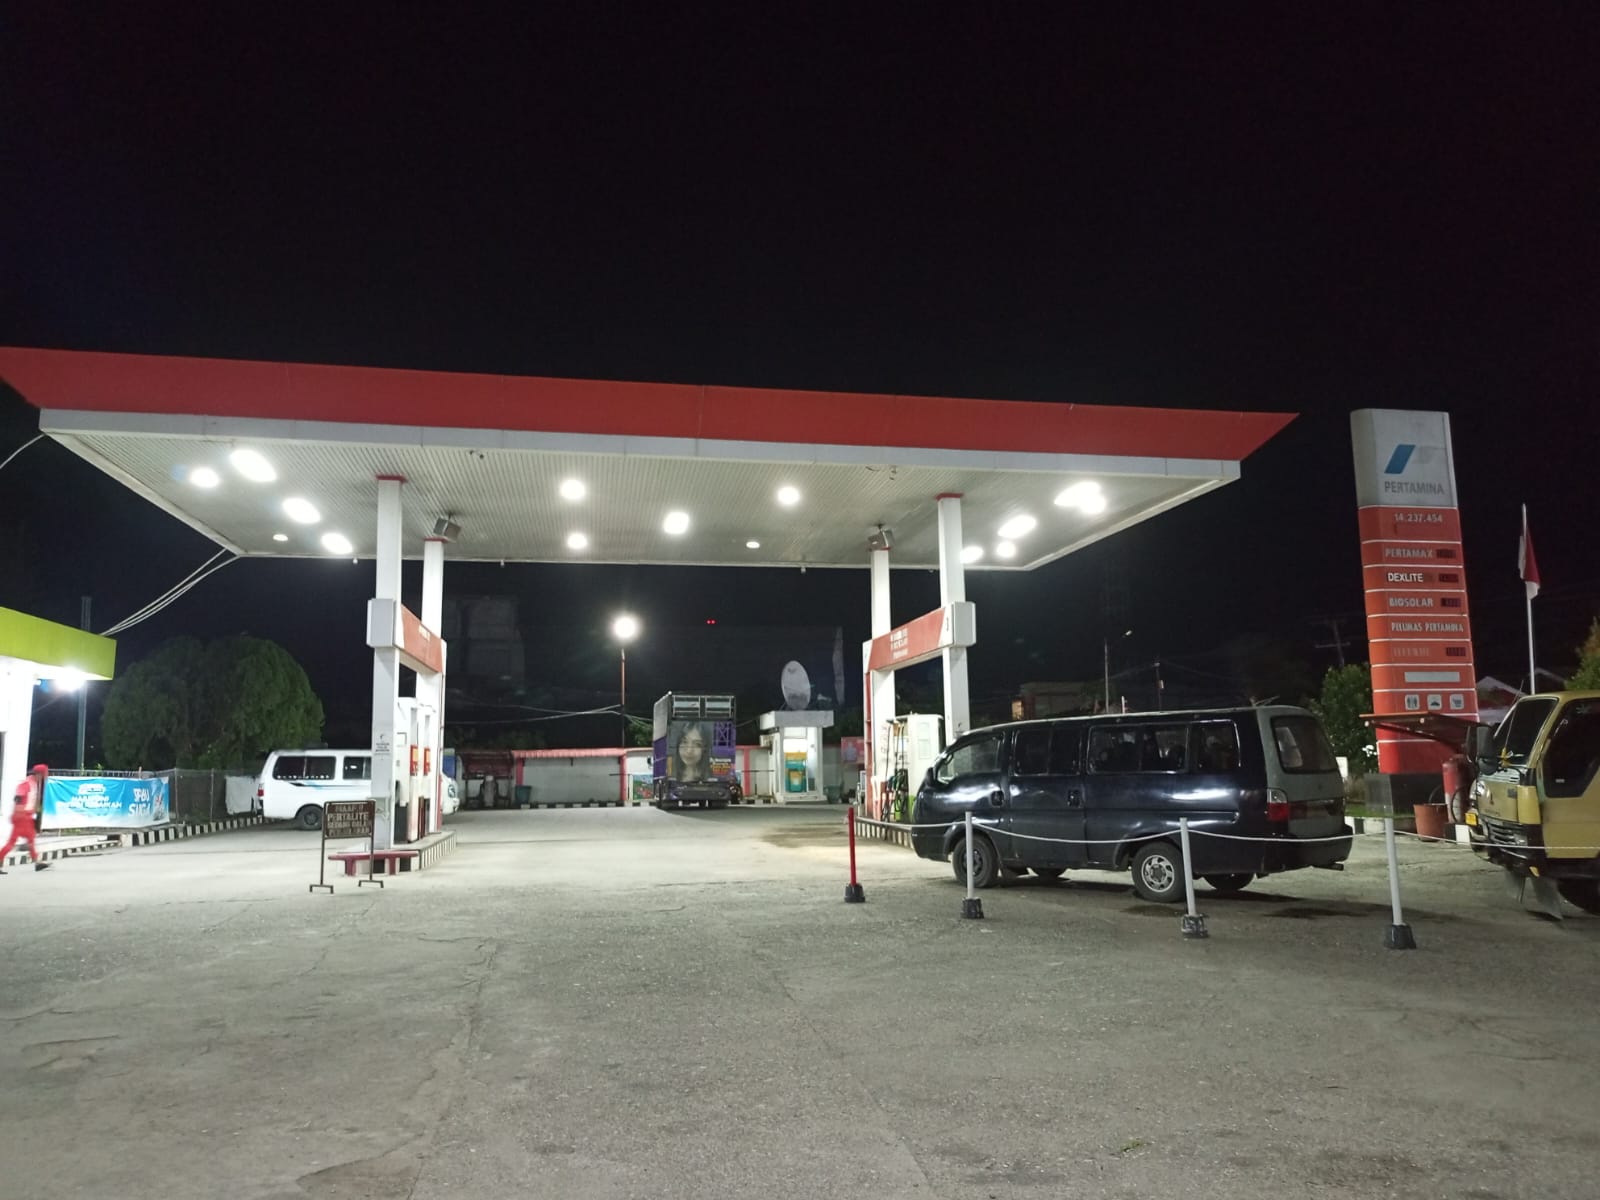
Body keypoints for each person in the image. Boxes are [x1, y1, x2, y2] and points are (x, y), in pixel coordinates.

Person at [1, 763, 52, 874]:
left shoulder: (34, 784)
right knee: (14, 842)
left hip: (26, 817)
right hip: (22, 817)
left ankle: (37, 862)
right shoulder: (27, 783)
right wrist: (18, 813)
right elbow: (18, 798)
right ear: (39, 774)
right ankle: (37, 862)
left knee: (30, 840)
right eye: (44, 774)